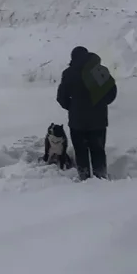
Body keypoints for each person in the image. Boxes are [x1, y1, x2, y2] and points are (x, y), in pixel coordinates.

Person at [56, 45, 117, 180]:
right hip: (99, 121)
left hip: (77, 122)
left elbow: (61, 97)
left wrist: (72, 107)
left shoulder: (69, 73)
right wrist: (101, 105)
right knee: (98, 151)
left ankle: (84, 179)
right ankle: (101, 177)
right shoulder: (100, 71)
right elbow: (112, 93)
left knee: (81, 152)